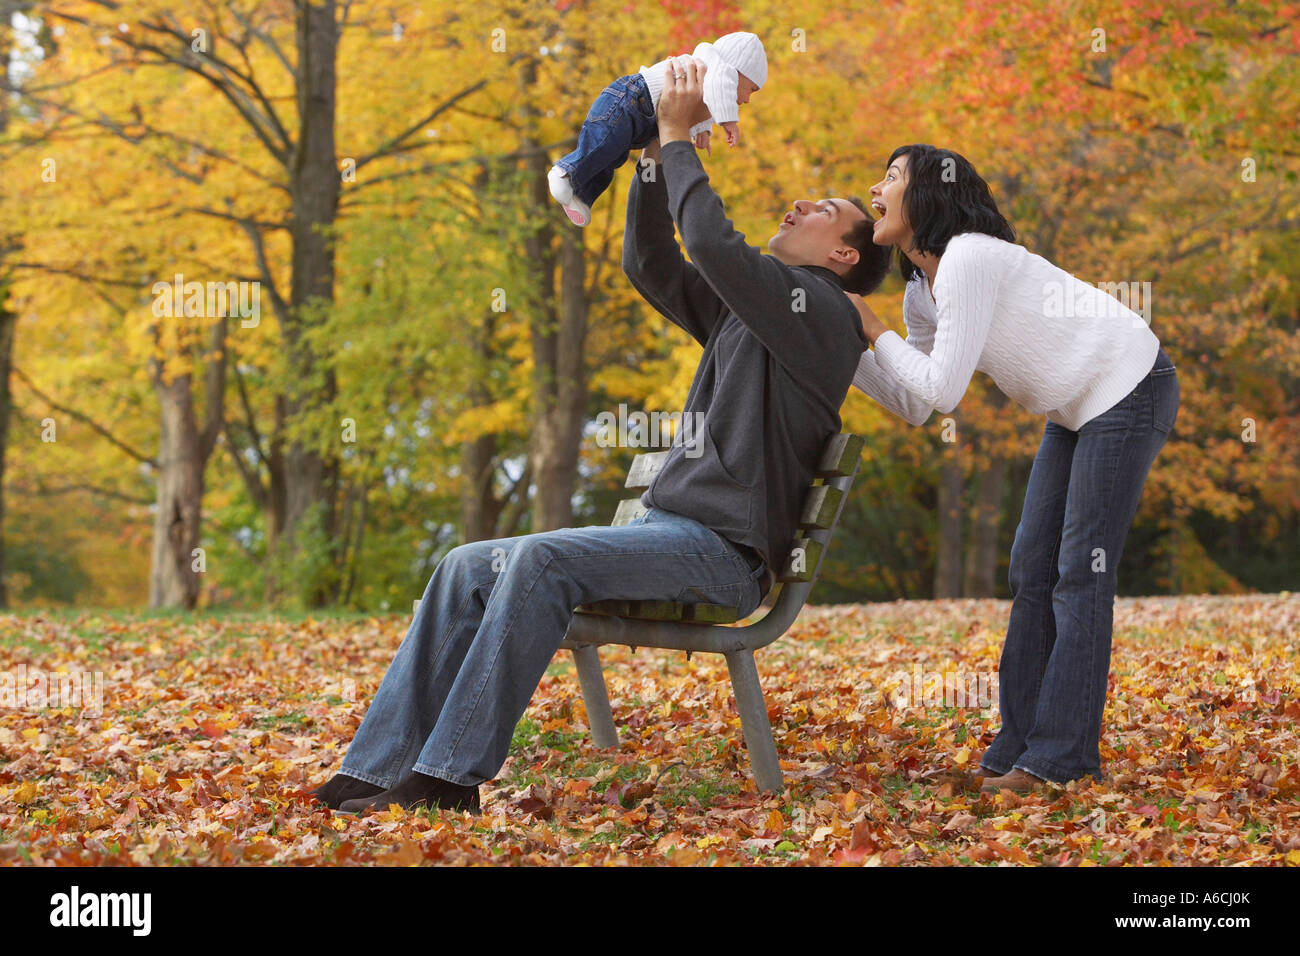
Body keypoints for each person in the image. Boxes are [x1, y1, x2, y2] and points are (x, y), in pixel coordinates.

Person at [306, 60, 891, 814]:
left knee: (542, 562)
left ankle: (450, 778)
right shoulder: (759, 309)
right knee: (461, 566)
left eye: (826, 211)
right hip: (671, 532)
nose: (802, 202)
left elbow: (713, 247)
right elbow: (651, 265)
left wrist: (680, 137)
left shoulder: (821, 312)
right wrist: (650, 158)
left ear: (844, 255)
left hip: (723, 556)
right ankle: (377, 768)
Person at [846, 144, 1179, 792]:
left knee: (1079, 573)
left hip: (1129, 385)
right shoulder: (922, 290)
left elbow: (944, 390)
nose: (875, 188)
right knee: (1032, 568)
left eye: (892, 176)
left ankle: (1060, 761)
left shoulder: (970, 256)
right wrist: (849, 347)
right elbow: (916, 402)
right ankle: (1017, 749)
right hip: (1074, 405)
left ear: (931, 195)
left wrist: (868, 325)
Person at [547, 31, 767, 226]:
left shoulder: (710, 75)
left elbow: (707, 99)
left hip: (644, 119)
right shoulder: (716, 68)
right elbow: (719, 90)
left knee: (611, 158)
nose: (747, 99)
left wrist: (703, 130)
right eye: (751, 89)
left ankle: (582, 196)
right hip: (631, 99)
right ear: (736, 72)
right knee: (603, 143)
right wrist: (729, 122)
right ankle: (565, 172)